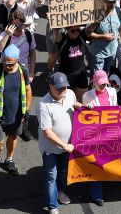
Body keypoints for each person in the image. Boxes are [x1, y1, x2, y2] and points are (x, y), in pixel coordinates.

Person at [0, 44, 32, 176]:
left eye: (10, 64)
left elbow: (28, 90)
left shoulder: (22, 71)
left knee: (13, 138)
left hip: (16, 116)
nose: (7, 66)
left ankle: (9, 159)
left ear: (17, 61)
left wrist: (27, 110)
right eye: (5, 62)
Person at [38, 72, 80, 211]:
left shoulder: (70, 94)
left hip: (68, 146)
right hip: (50, 149)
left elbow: (76, 108)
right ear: (50, 86)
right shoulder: (43, 105)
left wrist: (80, 107)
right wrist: (64, 145)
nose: (63, 90)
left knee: (63, 172)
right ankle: (52, 206)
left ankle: (60, 192)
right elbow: (47, 132)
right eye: (59, 87)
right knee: (51, 177)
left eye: (65, 87)